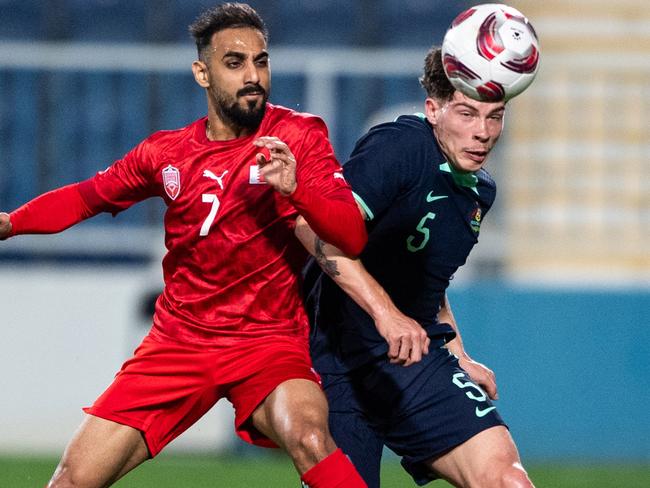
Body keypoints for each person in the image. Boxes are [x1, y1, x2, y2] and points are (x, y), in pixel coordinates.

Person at [0, 3, 369, 487]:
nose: (253, 75)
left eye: (261, 61)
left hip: (268, 342)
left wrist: (297, 189)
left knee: (309, 435)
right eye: (234, 63)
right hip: (179, 342)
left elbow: (352, 236)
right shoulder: (166, 154)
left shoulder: (297, 136)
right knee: (72, 479)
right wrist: (10, 223)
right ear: (202, 72)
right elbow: (87, 198)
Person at [295, 46, 535, 487]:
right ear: (434, 110)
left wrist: (459, 354)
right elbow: (313, 231)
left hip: (413, 358)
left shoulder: (478, 193)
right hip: (336, 363)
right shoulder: (400, 147)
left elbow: (427, 278)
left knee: (507, 481)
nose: (482, 133)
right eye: (466, 114)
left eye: (495, 117)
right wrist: (386, 314)